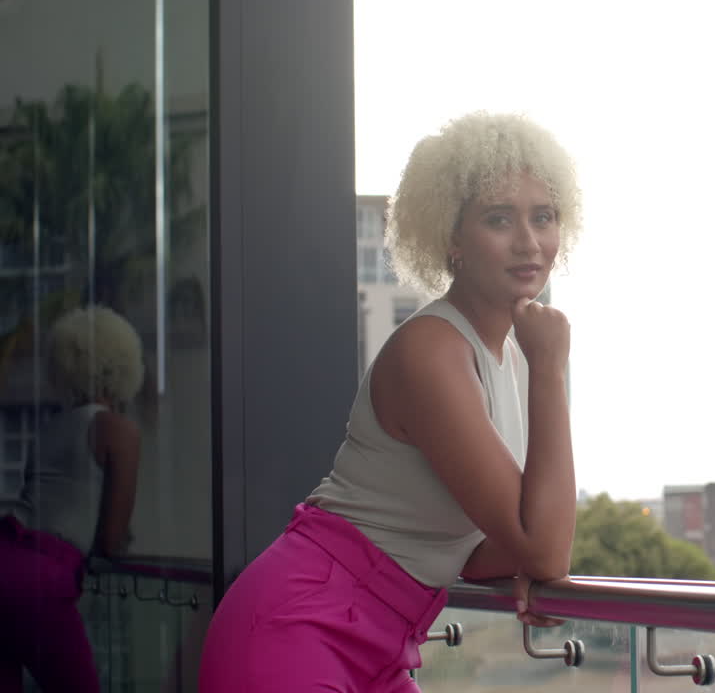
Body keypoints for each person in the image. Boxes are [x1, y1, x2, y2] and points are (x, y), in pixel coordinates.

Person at [200, 112, 581, 691]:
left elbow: (480, 548)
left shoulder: (504, 356)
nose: (529, 242)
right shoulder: (433, 350)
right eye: (499, 219)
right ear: (452, 238)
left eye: (543, 217)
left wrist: (526, 555)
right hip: (300, 624)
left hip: (385, 639)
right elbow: (546, 548)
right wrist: (551, 367)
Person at [0, 305, 145, 692]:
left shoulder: (48, 429)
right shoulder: (119, 431)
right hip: (39, 581)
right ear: (125, 367)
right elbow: (110, 543)